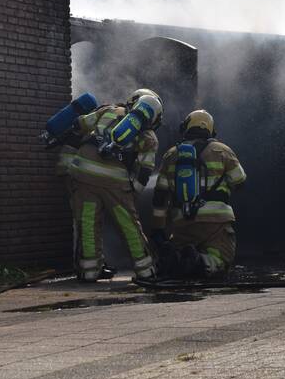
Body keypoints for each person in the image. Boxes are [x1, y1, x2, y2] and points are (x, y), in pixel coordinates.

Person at [57, 88, 162, 282]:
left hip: (83, 174)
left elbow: (79, 124)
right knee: (129, 226)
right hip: (116, 182)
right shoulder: (148, 136)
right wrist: (133, 192)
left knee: (88, 224)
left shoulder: (108, 110)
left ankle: (89, 271)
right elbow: (145, 169)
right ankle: (146, 271)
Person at [150, 109, 246, 279]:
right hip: (216, 222)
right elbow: (240, 181)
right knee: (221, 259)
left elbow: (160, 197)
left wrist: (158, 229)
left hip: (182, 223)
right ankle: (199, 261)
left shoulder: (171, 154)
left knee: (177, 259)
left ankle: (177, 258)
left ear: (186, 128)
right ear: (211, 129)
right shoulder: (223, 151)